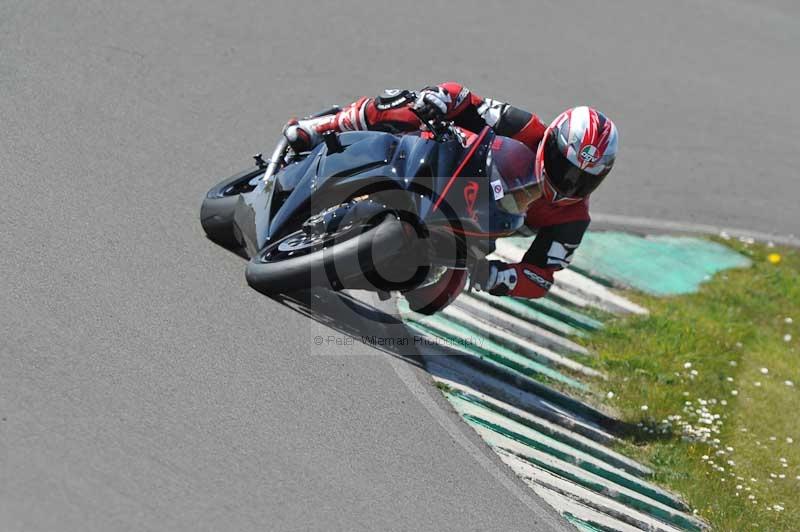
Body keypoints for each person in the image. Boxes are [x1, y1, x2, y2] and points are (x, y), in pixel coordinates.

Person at [283, 82, 618, 300]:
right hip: (447, 166)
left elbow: (542, 275)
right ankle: (318, 128)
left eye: (583, 180)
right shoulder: (524, 127)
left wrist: (502, 277)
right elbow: (466, 99)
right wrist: (440, 99)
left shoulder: (574, 217)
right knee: (403, 106)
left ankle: (376, 268)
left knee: (434, 297)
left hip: (475, 231)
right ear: (552, 142)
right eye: (565, 167)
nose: (568, 184)